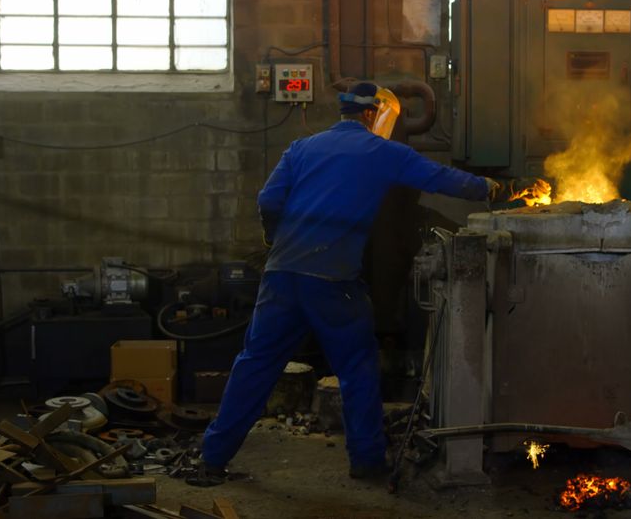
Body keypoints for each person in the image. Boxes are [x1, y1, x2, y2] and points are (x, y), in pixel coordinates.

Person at [189, 81, 501, 487]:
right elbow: (439, 178)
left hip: (281, 277)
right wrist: (489, 188)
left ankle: (212, 459)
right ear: (374, 115)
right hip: (333, 282)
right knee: (357, 367)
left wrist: (274, 238)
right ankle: (367, 461)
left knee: (255, 365)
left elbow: (268, 201)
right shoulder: (382, 152)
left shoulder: (301, 148)